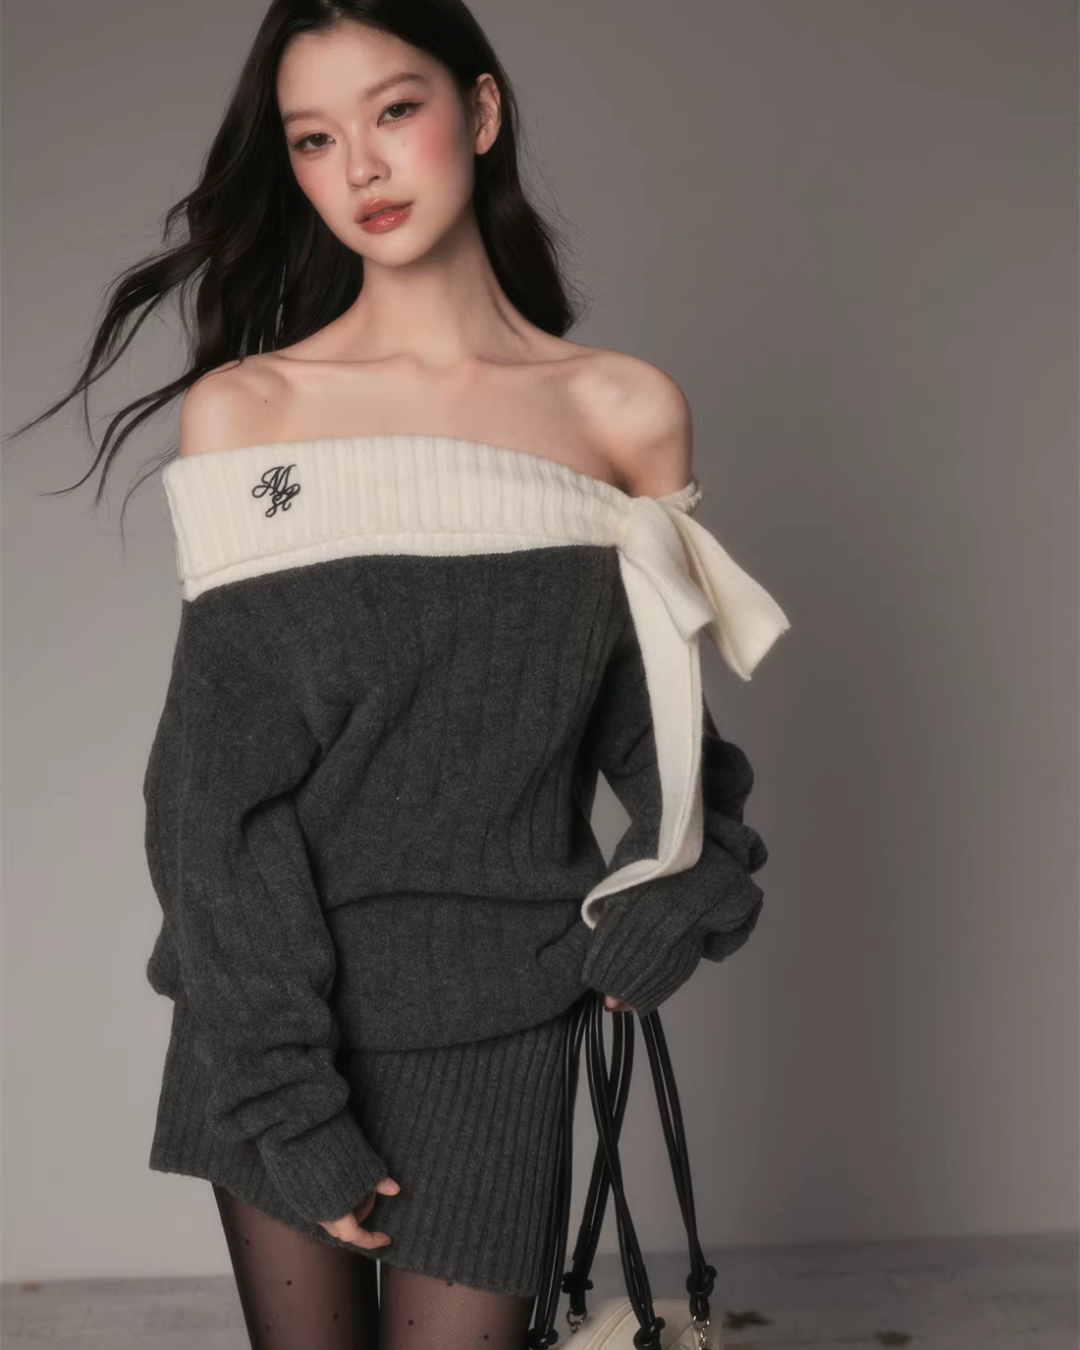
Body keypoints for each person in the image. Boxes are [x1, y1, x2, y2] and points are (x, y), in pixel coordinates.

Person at [8, 1, 789, 1345]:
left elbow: (661, 734)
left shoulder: (619, 410)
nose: (360, 166)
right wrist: (284, 1097)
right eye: (314, 138)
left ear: (479, 112)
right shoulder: (247, 414)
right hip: (273, 1014)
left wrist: (681, 882)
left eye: (394, 111)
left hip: (504, 1010)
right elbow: (210, 801)